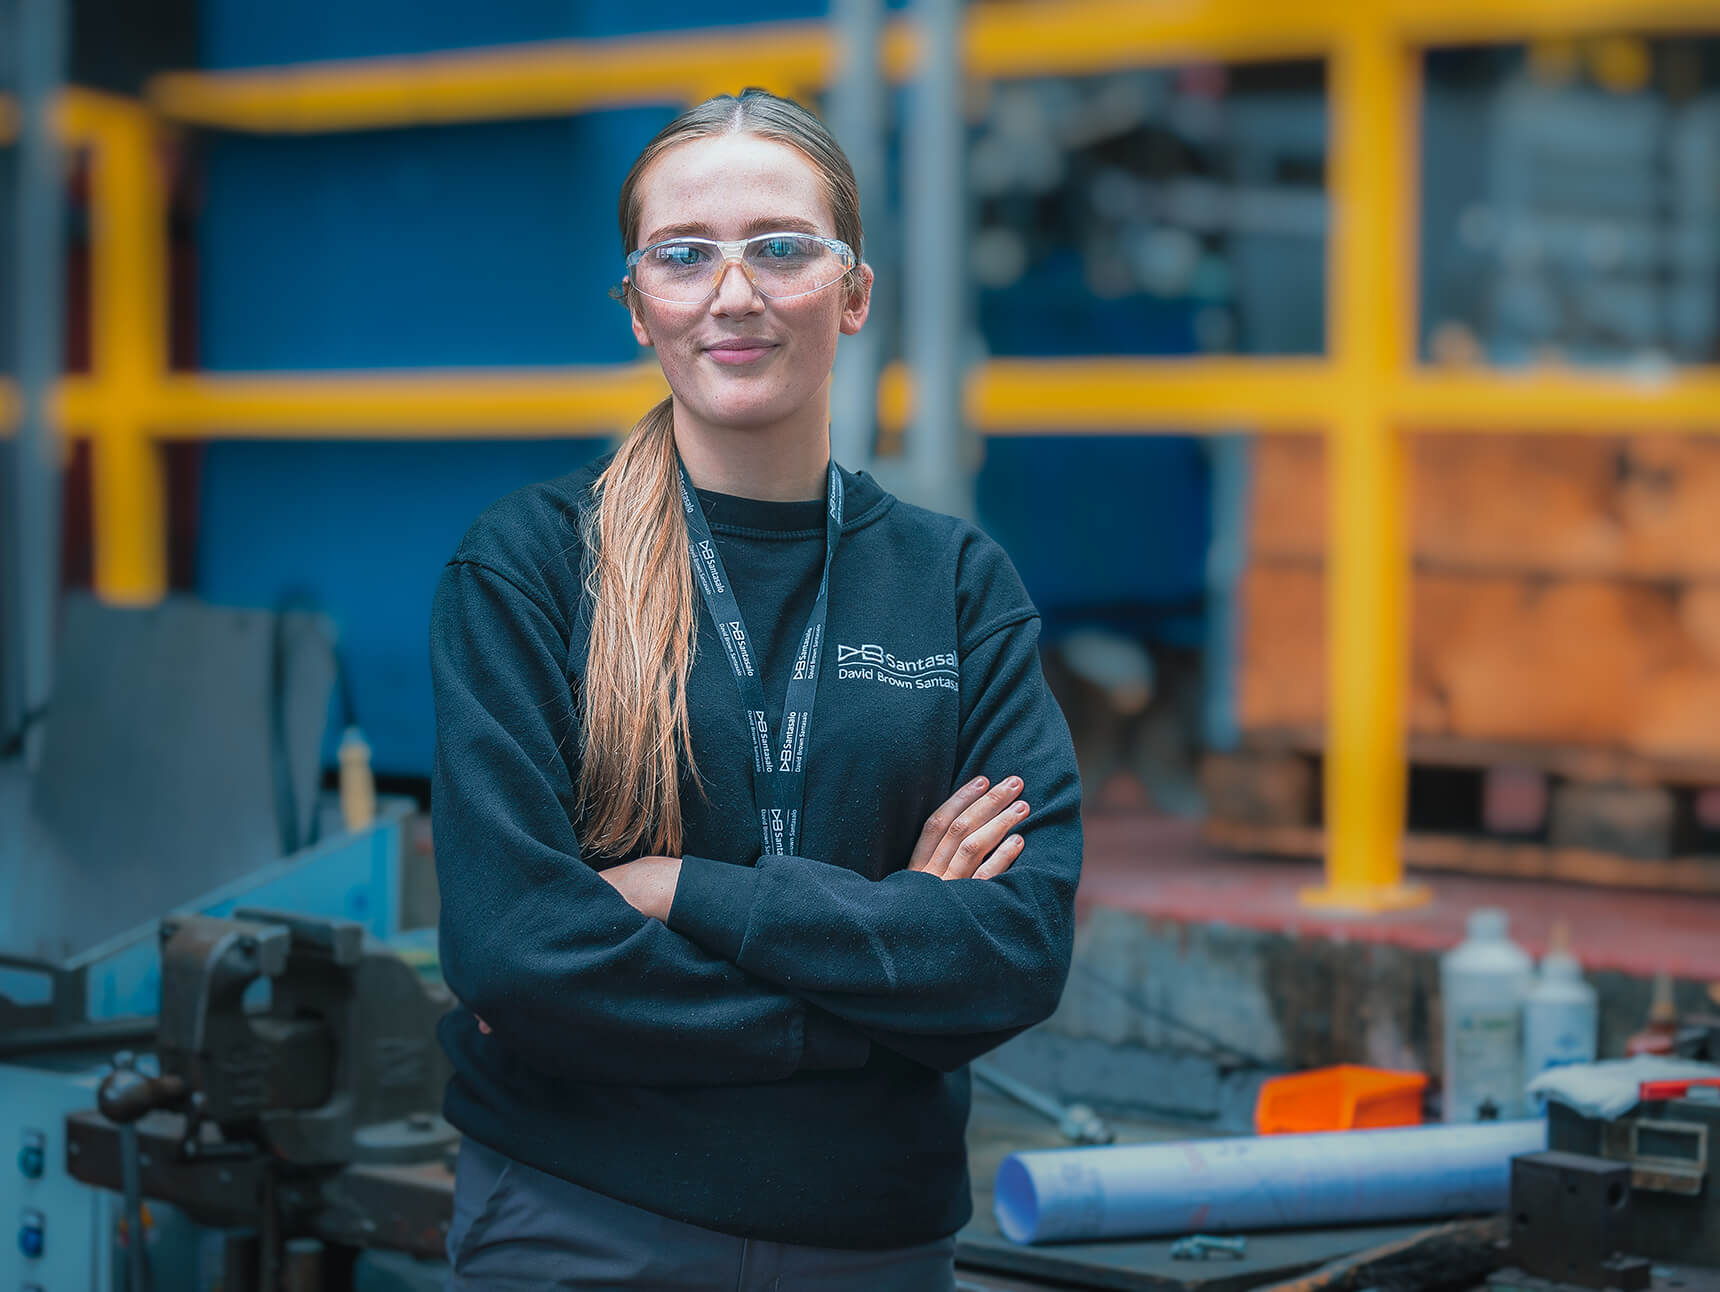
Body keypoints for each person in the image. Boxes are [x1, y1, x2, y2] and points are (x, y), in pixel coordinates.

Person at [430, 87, 1083, 1290]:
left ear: (854, 292)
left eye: (780, 247)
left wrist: (680, 889)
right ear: (639, 305)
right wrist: (874, 1006)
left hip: (874, 1241)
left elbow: (1014, 949)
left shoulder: (954, 585)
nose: (733, 293)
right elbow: (515, 951)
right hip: (585, 1224)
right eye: (683, 255)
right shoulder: (530, 568)